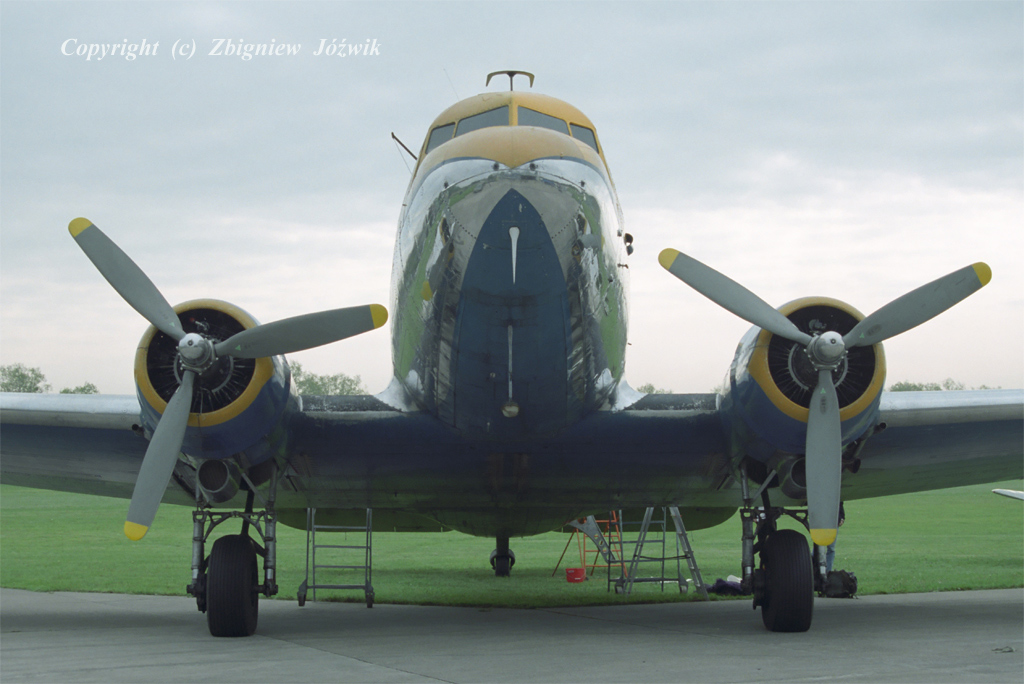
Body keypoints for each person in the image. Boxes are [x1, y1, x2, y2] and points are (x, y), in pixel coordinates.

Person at [825, 501, 846, 573]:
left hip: (834, 521)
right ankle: (814, 568)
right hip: (822, 520)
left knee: (831, 548)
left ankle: (828, 572)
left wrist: (842, 517)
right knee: (819, 546)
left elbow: (839, 502)